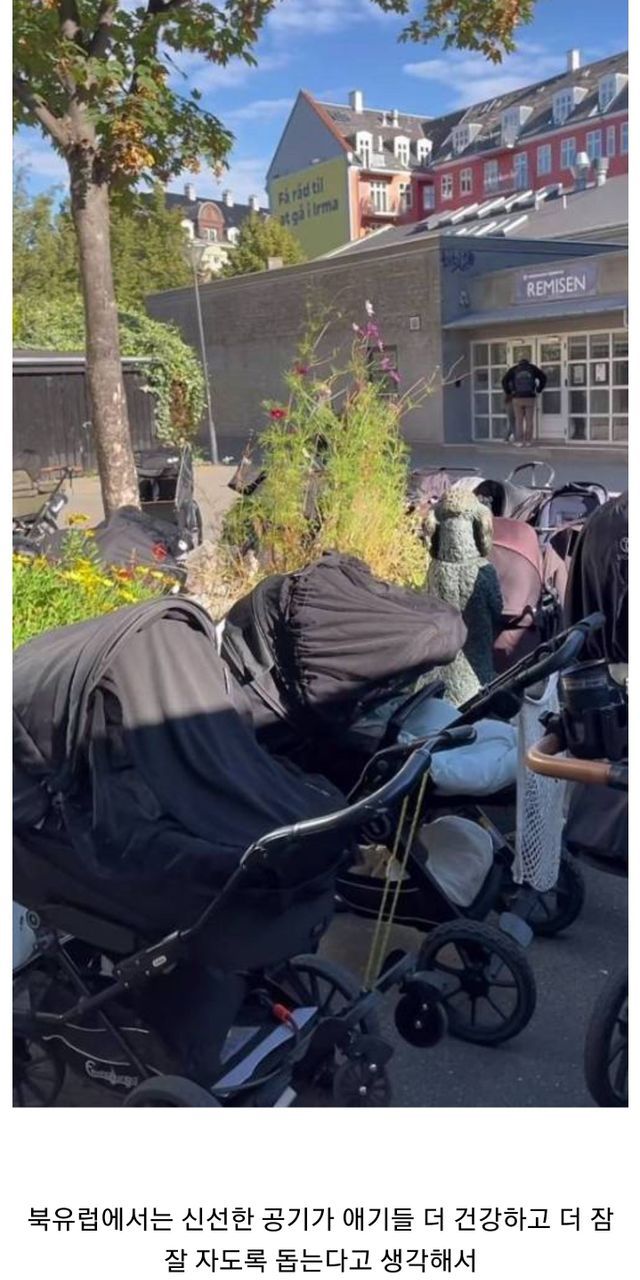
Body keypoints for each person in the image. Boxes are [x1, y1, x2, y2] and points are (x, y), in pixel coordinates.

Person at [502, 357, 547, 447]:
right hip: (530, 397)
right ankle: (528, 441)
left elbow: (504, 381)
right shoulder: (532, 368)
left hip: (517, 398)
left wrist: (509, 392)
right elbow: (543, 378)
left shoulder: (514, 369)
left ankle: (519, 441)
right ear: (528, 363)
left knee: (519, 421)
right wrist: (539, 389)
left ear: (519, 363)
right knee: (529, 420)